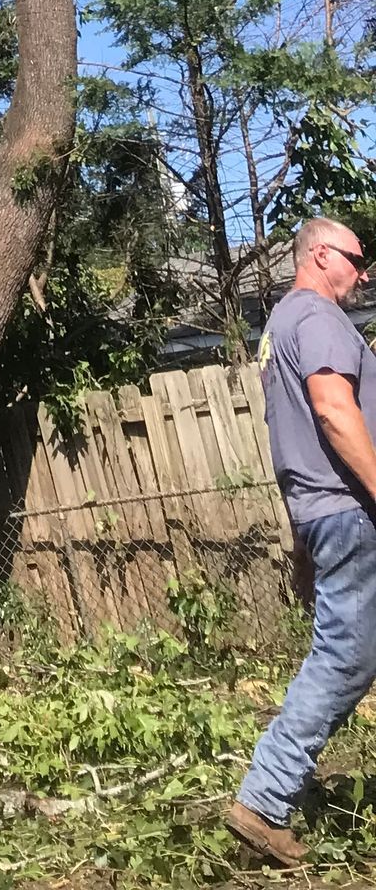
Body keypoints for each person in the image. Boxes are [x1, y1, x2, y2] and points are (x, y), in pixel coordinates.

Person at [227, 216, 376, 869]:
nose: (364, 270)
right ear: (320, 254)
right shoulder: (316, 317)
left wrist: (299, 544)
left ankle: (266, 794)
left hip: (325, 515)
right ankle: (264, 799)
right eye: (356, 257)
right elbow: (332, 413)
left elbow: (292, 447)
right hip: (352, 510)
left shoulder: (279, 326)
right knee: (345, 656)